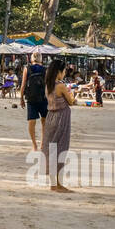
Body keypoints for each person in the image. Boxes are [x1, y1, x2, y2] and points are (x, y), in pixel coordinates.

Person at [42, 59, 76, 193]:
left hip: (51, 117)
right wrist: (73, 95)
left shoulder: (48, 85)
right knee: (61, 149)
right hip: (61, 119)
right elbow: (71, 102)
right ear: (59, 72)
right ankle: (58, 185)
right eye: (64, 71)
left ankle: (54, 184)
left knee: (51, 150)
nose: (65, 73)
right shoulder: (60, 86)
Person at [18, 51, 47, 151]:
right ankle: (43, 144)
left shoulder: (27, 68)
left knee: (31, 122)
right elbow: (48, 86)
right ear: (41, 59)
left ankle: (34, 145)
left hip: (31, 98)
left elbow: (23, 85)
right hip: (43, 99)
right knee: (45, 122)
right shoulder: (45, 69)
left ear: (31, 59)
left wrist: (21, 98)